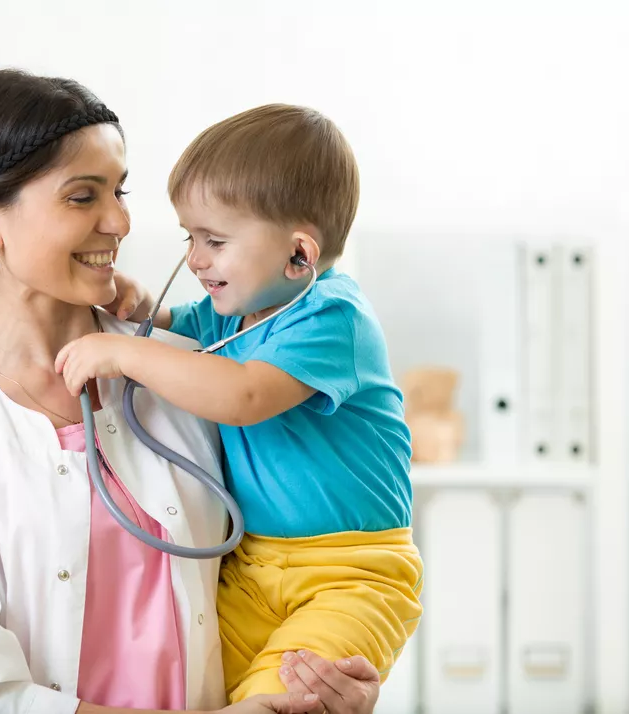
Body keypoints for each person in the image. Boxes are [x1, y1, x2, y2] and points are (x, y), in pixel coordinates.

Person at [0, 69, 382, 714]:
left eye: (120, 191)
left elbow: (288, 570)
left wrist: (323, 683)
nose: (121, 221)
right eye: (83, 197)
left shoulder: (192, 371)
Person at [56, 104, 423, 702]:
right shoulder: (238, 312)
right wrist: (143, 303)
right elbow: (180, 330)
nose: (196, 258)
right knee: (194, 688)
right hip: (252, 568)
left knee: (277, 698)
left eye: (215, 241)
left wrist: (122, 355)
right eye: (189, 238)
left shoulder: (332, 316)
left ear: (299, 256)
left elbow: (244, 394)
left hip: (350, 573)